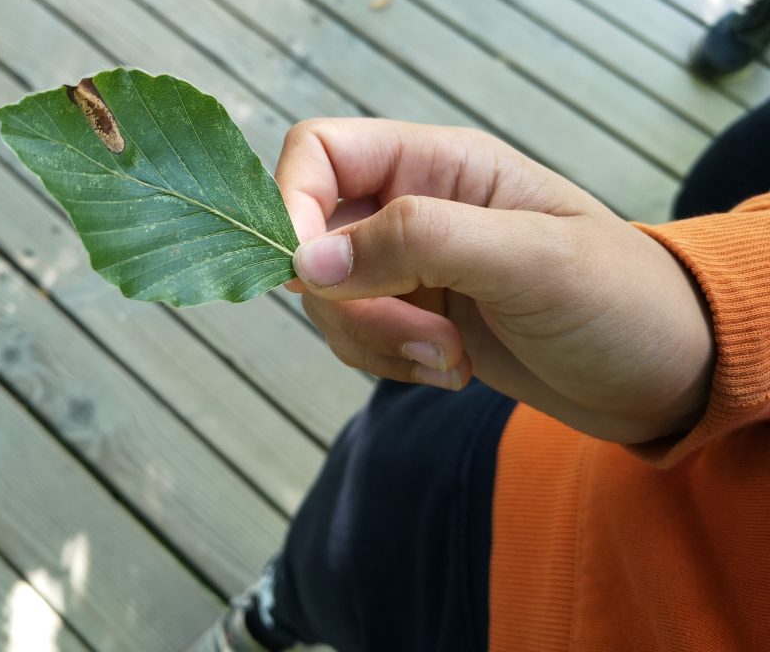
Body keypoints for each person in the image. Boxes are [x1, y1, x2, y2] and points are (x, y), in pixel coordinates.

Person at [190, 91, 770, 650]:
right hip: (527, 425)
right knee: (336, 544)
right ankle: (273, 613)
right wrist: (707, 327)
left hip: (543, 619)